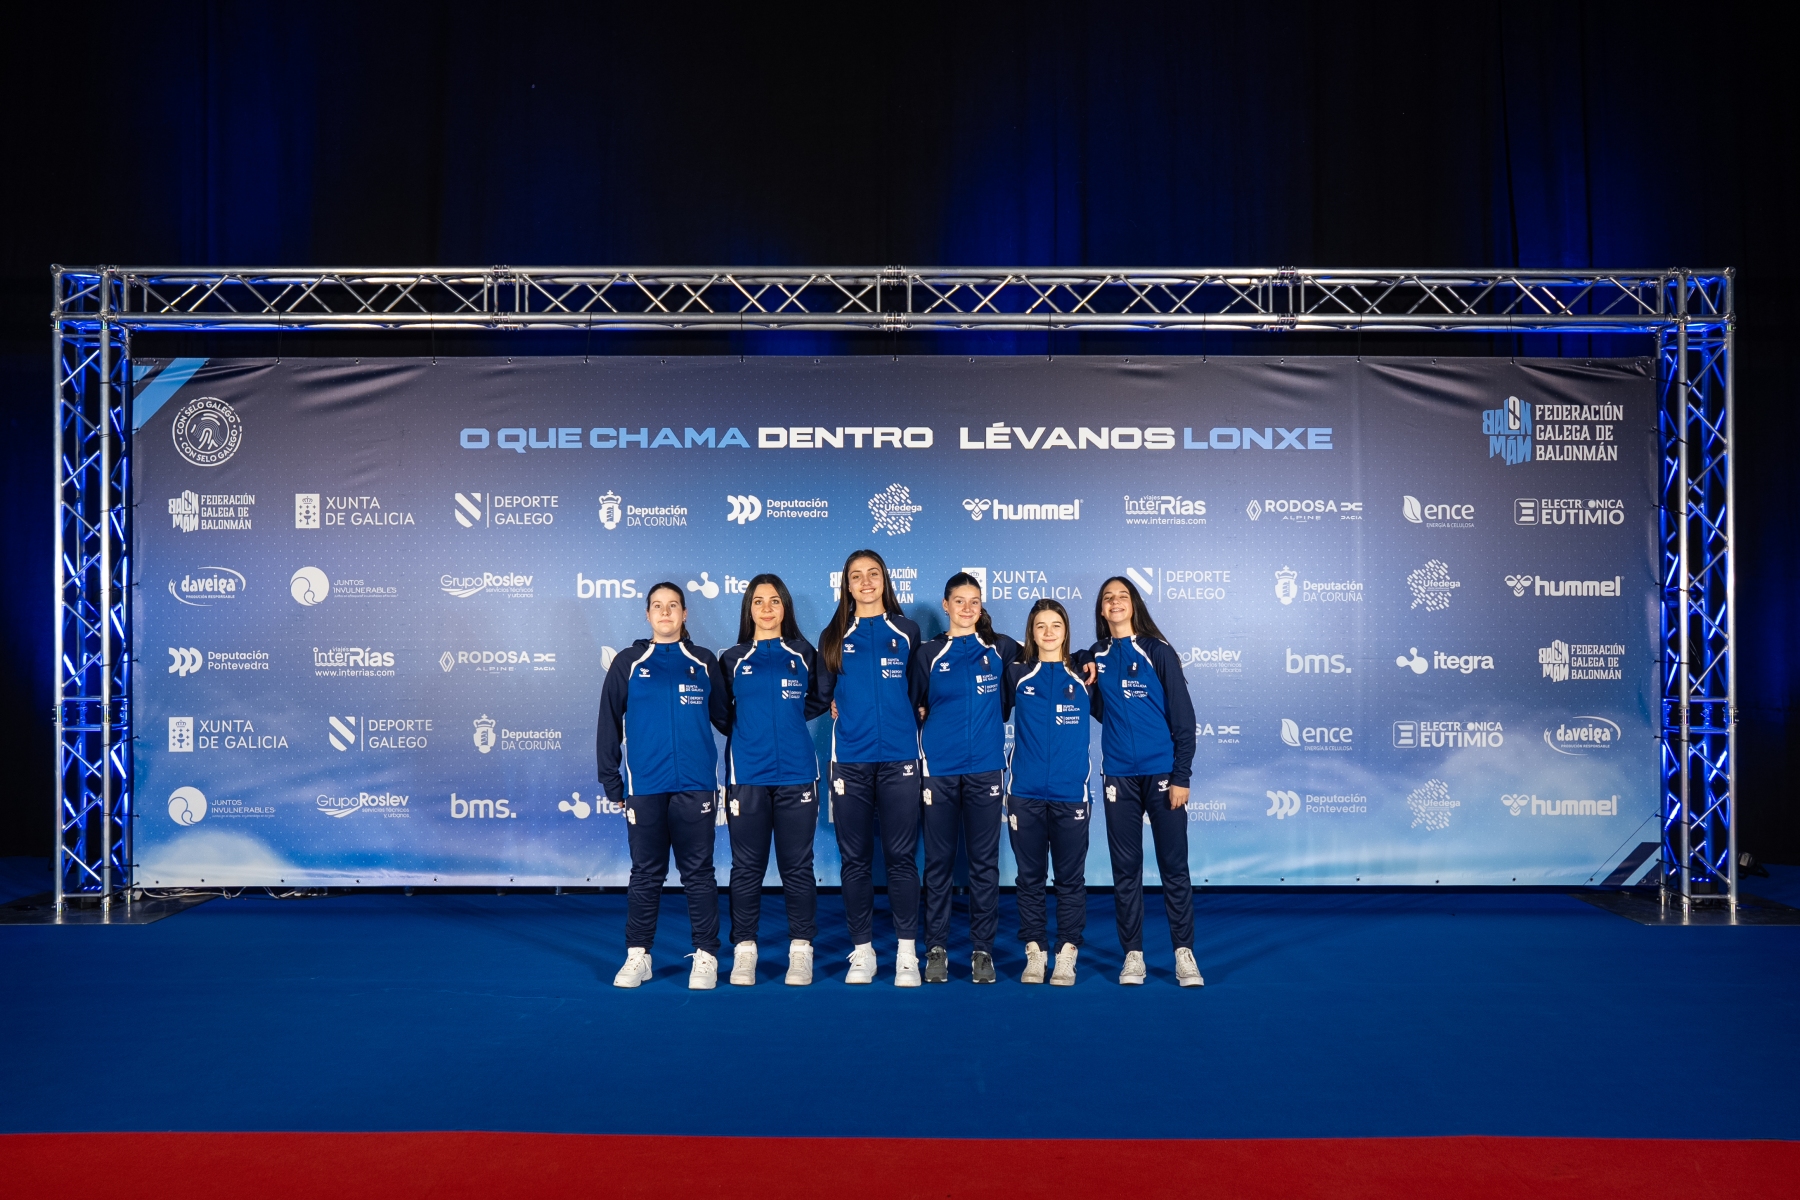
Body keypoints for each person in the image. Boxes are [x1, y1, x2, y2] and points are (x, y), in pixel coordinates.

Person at [597, 581, 731, 990]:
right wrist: (612, 781)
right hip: (646, 787)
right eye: (658, 605)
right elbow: (607, 723)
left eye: (673, 605)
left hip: (696, 786)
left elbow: (728, 719)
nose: (666, 612)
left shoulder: (704, 661)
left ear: (685, 613)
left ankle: (706, 955)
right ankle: (638, 955)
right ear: (648, 614)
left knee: (699, 874)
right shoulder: (628, 662)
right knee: (646, 874)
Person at [815, 549, 926, 986]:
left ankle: (906, 953)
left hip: (900, 759)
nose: (865, 582)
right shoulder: (833, 635)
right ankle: (862, 951)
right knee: (855, 860)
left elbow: (918, 693)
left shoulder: (908, 630)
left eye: (873, 574)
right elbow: (824, 695)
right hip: (851, 762)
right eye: (856, 576)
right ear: (846, 584)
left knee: (901, 858)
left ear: (885, 580)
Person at [1089, 576, 1204, 988]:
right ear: (1102, 610)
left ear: (1134, 604)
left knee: (1174, 867)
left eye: (1122, 596)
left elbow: (1183, 719)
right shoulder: (1096, 655)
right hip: (1118, 775)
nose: (1115, 602)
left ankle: (1183, 954)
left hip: (1163, 775)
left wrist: (1181, 775)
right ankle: (1133, 955)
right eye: (1108, 598)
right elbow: (1097, 702)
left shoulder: (1158, 651)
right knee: (1126, 870)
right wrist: (1084, 661)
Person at [718, 574, 829, 986]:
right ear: (748, 609)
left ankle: (801, 950)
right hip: (747, 776)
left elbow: (820, 698)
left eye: (775, 601)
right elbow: (720, 712)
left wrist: (786, 719)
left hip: (797, 775)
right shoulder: (731, 659)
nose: (767, 609)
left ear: (785, 607)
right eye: (759, 601)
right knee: (746, 868)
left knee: (797, 867)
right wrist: (752, 730)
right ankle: (745, 951)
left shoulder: (804, 653)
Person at [913, 572, 1020, 983]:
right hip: (939, 769)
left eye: (975, 600)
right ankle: (936, 949)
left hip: (986, 767)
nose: (967, 608)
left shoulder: (1000, 648)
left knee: (984, 864)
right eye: (959, 600)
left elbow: (1045, 655)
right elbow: (911, 703)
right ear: (946, 605)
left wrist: (1084, 660)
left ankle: (982, 950)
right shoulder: (928, 653)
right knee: (938, 863)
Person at [1001, 599, 1092, 986]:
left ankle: (1067, 953)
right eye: (1041, 626)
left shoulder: (1086, 674)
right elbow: (985, 708)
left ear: (1066, 630)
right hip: (1025, 792)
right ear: (1032, 633)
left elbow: (1121, 711)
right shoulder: (1017, 673)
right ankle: (1035, 951)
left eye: (1056, 625)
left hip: (1071, 794)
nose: (1049, 632)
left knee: (1070, 879)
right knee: (1030, 877)